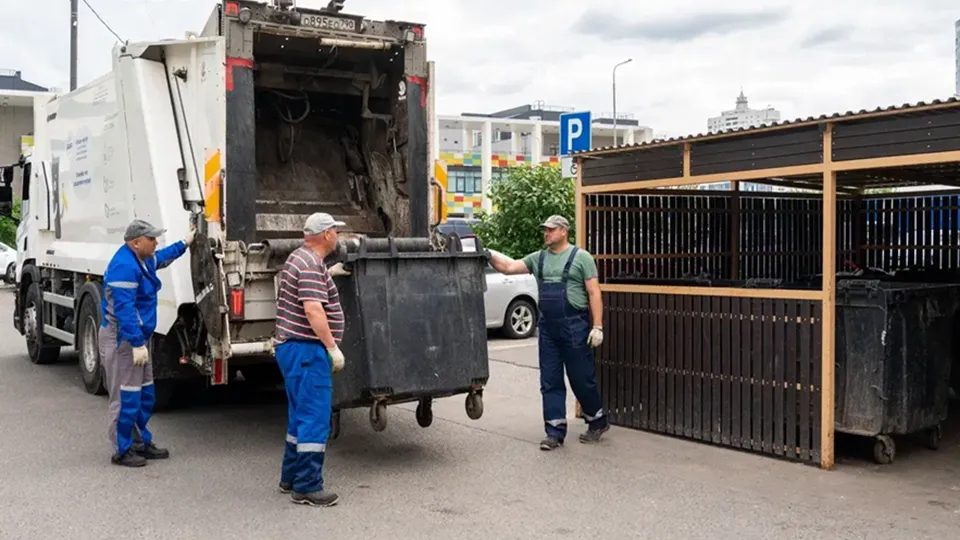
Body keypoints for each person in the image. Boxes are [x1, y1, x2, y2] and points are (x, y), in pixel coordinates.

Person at [487, 215, 609, 451]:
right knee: (550, 380)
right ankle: (554, 432)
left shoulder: (581, 258)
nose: (546, 234)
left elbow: (594, 293)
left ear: (564, 231)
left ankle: (597, 420)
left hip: (575, 326)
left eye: (551, 230)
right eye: (545, 230)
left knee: (581, 378)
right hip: (548, 329)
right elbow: (509, 267)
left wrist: (598, 326)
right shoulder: (538, 258)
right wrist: (488, 254)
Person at [100, 218, 194, 467]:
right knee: (125, 396)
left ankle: (140, 442)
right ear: (135, 242)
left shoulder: (141, 259)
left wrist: (185, 243)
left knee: (144, 393)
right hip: (124, 339)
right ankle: (122, 450)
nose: (155, 242)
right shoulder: (124, 266)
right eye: (151, 239)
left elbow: (162, 256)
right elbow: (124, 310)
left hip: (137, 338)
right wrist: (135, 343)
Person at [274, 212, 351, 507]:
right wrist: (332, 347)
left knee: (299, 417)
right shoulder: (309, 265)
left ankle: (290, 477)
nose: (339, 237)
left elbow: (305, 288)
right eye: (337, 231)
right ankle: (307, 486)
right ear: (327, 234)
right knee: (315, 419)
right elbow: (313, 311)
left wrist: (329, 275)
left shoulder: (302, 258)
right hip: (306, 350)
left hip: (293, 351)